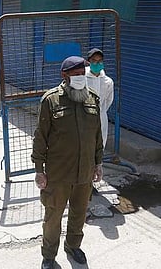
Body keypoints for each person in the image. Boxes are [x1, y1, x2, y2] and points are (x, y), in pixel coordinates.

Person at [32, 55, 104, 269]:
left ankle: (73, 245)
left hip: (85, 172)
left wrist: (98, 163)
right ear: (64, 76)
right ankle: (48, 256)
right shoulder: (51, 100)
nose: (81, 77)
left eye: (83, 74)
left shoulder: (92, 98)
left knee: (79, 213)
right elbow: (40, 137)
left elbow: (97, 135)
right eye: (76, 74)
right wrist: (39, 170)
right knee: (53, 216)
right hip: (58, 174)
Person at [85, 48, 114, 150]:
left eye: (100, 61)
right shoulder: (82, 78)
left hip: (101, 117)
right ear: (89, 62)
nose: (97, 63)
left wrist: (100, 111)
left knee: (100, 145)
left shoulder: (108, 81)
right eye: (94, 61)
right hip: (84, 117)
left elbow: (108, 100)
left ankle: (98, 165)